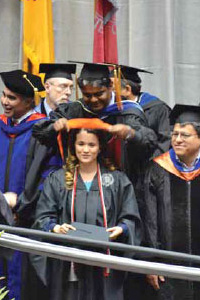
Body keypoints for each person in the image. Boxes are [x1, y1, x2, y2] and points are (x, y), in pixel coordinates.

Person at [33, 123, 141, 300]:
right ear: (73, 146)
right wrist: (55, 228)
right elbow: (43, 217)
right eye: (80, 144)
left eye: (92, 145)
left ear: (100, 148)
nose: (85, 150)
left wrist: (122, 229)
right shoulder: (58, 180)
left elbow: (131, 217)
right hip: (69, 264)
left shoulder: (116, 180)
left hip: (105, 262)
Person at [33, 62, 158, 187]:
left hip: (120, 186)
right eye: (87, 95)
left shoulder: (126, 110)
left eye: (99, 94)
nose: (93, 100)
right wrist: (54, 126)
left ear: (110, 86)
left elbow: (149, 141)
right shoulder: (75, 109)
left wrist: (130, 133)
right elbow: (39, 133)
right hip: (80, 184)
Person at [0, 69, 62, 300]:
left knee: (20, 283)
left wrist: (21, 207)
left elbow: (49, 177)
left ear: (28, 101)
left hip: (24, 221)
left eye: (12, 98)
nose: (5, 102)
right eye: (4, 95)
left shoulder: (42, 132)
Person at [142, 104, 200, 300]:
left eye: (185, 135)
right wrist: (152, 262)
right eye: (175, 134)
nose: (177, 139)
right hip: (169, 268)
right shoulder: (157, 169)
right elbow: (150, 222)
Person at [119, 65, 171, 155]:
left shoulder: (157, 109)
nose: (109, 92)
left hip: (150, 166)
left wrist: (152, 167)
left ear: (127, 90)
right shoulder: (115, 110)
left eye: (112, 87)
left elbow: (166, 142)